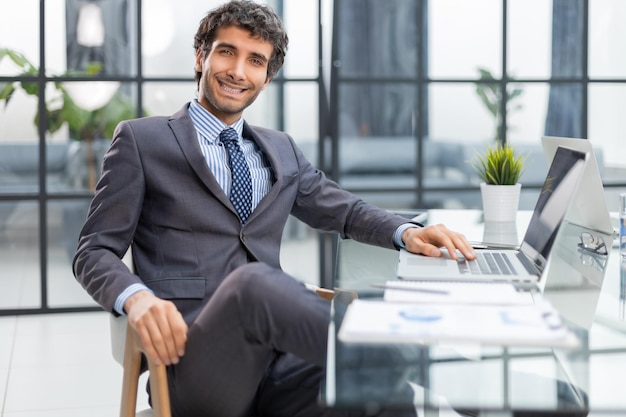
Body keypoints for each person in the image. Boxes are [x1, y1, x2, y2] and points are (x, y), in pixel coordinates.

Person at [73, 1, 476, 416]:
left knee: (377, 393)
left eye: (255, 61)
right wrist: (137, 299)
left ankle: (415, 372)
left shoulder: (280, 148)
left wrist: (407, 232)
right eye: (226, 52)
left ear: (267, 77)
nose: (238, 72)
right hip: (194, 366)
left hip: (281, 367)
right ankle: (426, 365)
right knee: (253, 285)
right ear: (201, 56)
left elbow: (345, 211)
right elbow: (93, 252)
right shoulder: (143, 141)